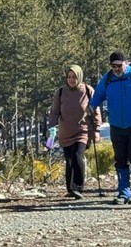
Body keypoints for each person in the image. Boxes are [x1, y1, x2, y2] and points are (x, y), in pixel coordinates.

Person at [90, 52, 131, 204]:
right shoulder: (108, 78)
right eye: (113, 66)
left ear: (126, 63)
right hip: (116, 126)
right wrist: (92, 105)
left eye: (119, 65)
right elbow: (98, 95)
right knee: (120, 159)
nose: (116, 69)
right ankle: (124, 193)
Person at [47, 65, 101, 199]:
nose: (71, 80)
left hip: (82, 131)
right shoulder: (60, 92)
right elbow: (54, 112)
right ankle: (70, 189)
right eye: (69, 77)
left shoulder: (88, 91)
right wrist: (51, 127)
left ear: (79, 76)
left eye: (74, 77)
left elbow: (96, 111)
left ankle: (77, 187)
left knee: (77, 156)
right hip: (65, 132)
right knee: (69, 160)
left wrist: (96, 129)